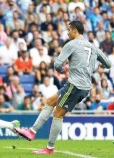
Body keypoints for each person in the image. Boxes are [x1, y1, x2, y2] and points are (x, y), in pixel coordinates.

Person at [14, 21, 111, 154]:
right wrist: (102, 66)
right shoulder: (93, 47)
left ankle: (49, 148)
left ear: (75, 30)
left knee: (58, 114)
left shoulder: (71, 44)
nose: (67, 32)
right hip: (84, 86)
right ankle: (32, 131)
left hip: (75, 85)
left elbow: (57, 64)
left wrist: (63, 69)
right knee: (50, 101)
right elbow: (108, 63)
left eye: (69, 30)